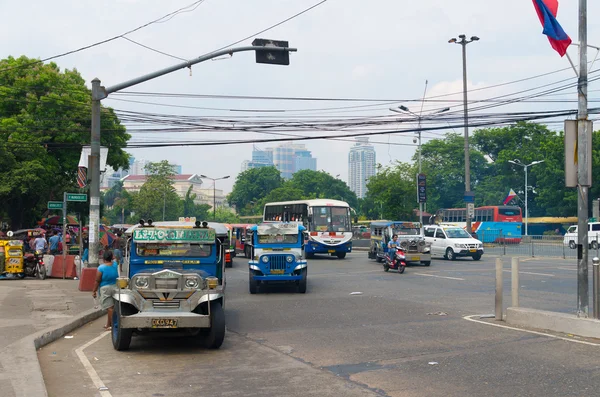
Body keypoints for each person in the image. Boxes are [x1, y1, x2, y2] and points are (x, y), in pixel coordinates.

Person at [92, 250, 119, 330]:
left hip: (105, 288)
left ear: (103, 258)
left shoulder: (101, 268)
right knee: (112, 307)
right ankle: (109, 324)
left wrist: (94, 291)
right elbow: (116, 259)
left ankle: (111, 325)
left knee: (109, 308)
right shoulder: (114, 264)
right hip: (115, 287)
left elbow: (97, 280)